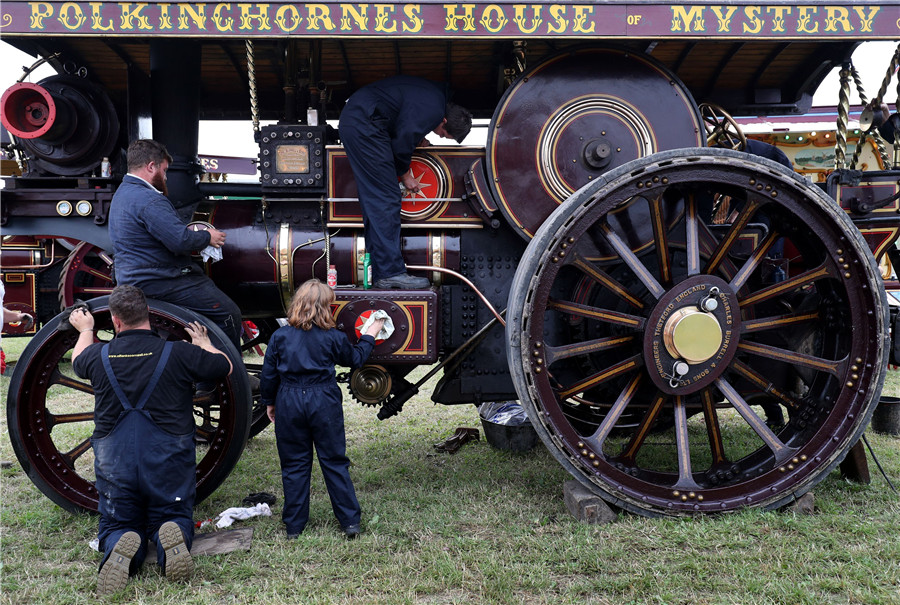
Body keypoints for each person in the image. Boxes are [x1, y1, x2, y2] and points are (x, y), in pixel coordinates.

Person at [69, 285, 232, 595]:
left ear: (116, 321)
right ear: (149, 317)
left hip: (115, 460)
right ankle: (169, 535)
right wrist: (203, 342)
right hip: (167, 457)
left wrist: (86, 329)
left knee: (116, 523)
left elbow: (77, 359)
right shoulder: (180, 353)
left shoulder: (97, 355)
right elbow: (224, 365)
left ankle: (119, 544)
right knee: (172, 515)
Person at [260, 279, 385, 539]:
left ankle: (294, 526)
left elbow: (269, 374)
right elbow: (356, 359)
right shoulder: (333, 337)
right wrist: (371, 332)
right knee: (335, 461)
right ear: (325, 308)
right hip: (323, 398)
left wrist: (270, 402)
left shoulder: (280, 336)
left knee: (294, 464)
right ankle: (350, 522)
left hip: (289, 399)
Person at [339, 76, 472, 289]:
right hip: (365, 125)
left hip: (364, 121)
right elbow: (402, 140)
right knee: (386, 199)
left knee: (376, 202)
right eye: (443, 134)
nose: (438, 136)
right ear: (444, 121)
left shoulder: (434, 99)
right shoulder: (433, 110)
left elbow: (402, 120)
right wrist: (405, 173)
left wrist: (417, 136)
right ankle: (390, 273)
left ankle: (377, 269)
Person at [108, 139, 243, 350]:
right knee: (228, 313)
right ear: (151, 166)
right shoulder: (149, 199)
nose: (165, 176)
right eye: (164, 170)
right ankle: (221, 376)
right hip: (160, 280)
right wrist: (208, 237)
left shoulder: (123, 194)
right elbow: (180, 242)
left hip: (133, 278)